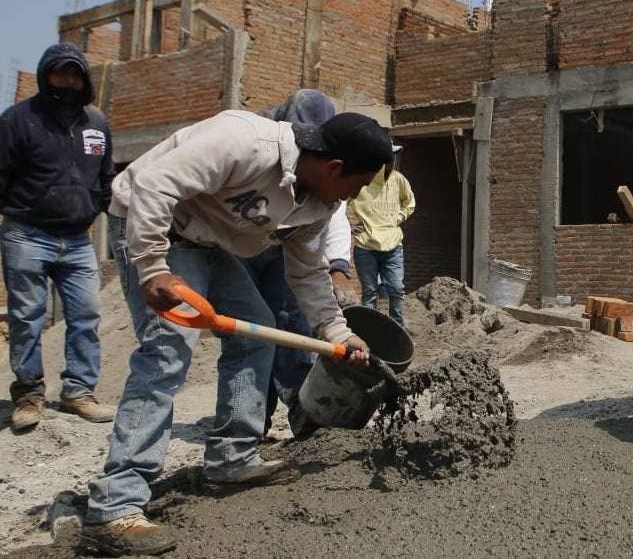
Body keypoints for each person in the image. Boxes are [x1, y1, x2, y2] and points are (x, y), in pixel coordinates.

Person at [81, 109, 392, 556]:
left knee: (257, 332)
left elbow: (306, 272)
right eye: (357, 185)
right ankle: (115, 504)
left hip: (210, 242)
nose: (355, 196)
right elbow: (153, 183)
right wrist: (151, 267)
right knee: (168, 349)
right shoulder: (245, 141)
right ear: (334, 167)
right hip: (155, 226)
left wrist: (339, 333)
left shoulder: (321, 202)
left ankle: (231, 457)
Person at [0, 43, 116, 431]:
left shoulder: (96, 124)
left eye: (74, 74)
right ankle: (30, 396)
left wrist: (100, 205)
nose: (67, 80)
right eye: (60, 73)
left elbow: (106, 179)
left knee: (86, 314)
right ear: (45, 75)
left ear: (83, 78)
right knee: (26, 317)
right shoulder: (18, 120)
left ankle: (78, 391)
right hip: (27, 235)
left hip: (78, 240)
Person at [239, 89, 356, 440]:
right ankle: (250, 423)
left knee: (293, 329)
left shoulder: (327, 167)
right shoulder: (258, 146)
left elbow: (331, 216)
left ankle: (304, 414)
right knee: (251, 332)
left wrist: (337, 267)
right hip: (238, 246)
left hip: (284, 249)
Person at [348, 144, 415, 328]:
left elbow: (409, 202)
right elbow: (338, 204)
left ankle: (397, 331)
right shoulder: (362, 179)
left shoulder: (398, 179)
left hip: (393, 245)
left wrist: (398, 217)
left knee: (396, 289)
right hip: (366, 246)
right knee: (370, 292)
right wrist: (349, 227)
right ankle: (371, 332)